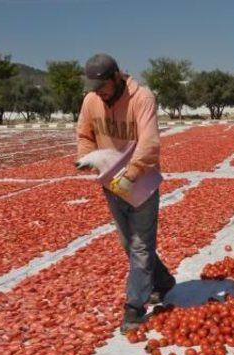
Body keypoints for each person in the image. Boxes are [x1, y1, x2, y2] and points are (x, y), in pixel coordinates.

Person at [77, 53, 175, 331]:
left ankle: (135, 307)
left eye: (103, 87)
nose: (99, 93)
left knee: (141, 246)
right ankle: (164, 281)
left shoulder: (142, 98)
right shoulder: (91, 101)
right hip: (112, 184)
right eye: (94, 88)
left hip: (141, 182)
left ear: (117, 77)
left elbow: (149, 142)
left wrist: (131, 174)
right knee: (129, 244)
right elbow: (85, 135)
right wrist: (86, 157)